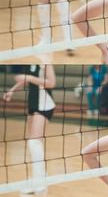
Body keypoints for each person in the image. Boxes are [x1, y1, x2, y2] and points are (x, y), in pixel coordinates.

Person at [3, 65, 56, 195]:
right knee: (34, 144)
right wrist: (12, 90)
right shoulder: (29, 62)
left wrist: (30, 77)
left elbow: (51, 83)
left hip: (44, 106)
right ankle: (40, 178)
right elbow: (25, 80)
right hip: (33, 104)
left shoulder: (46, 61)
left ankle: (39, 183)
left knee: (34, 142)